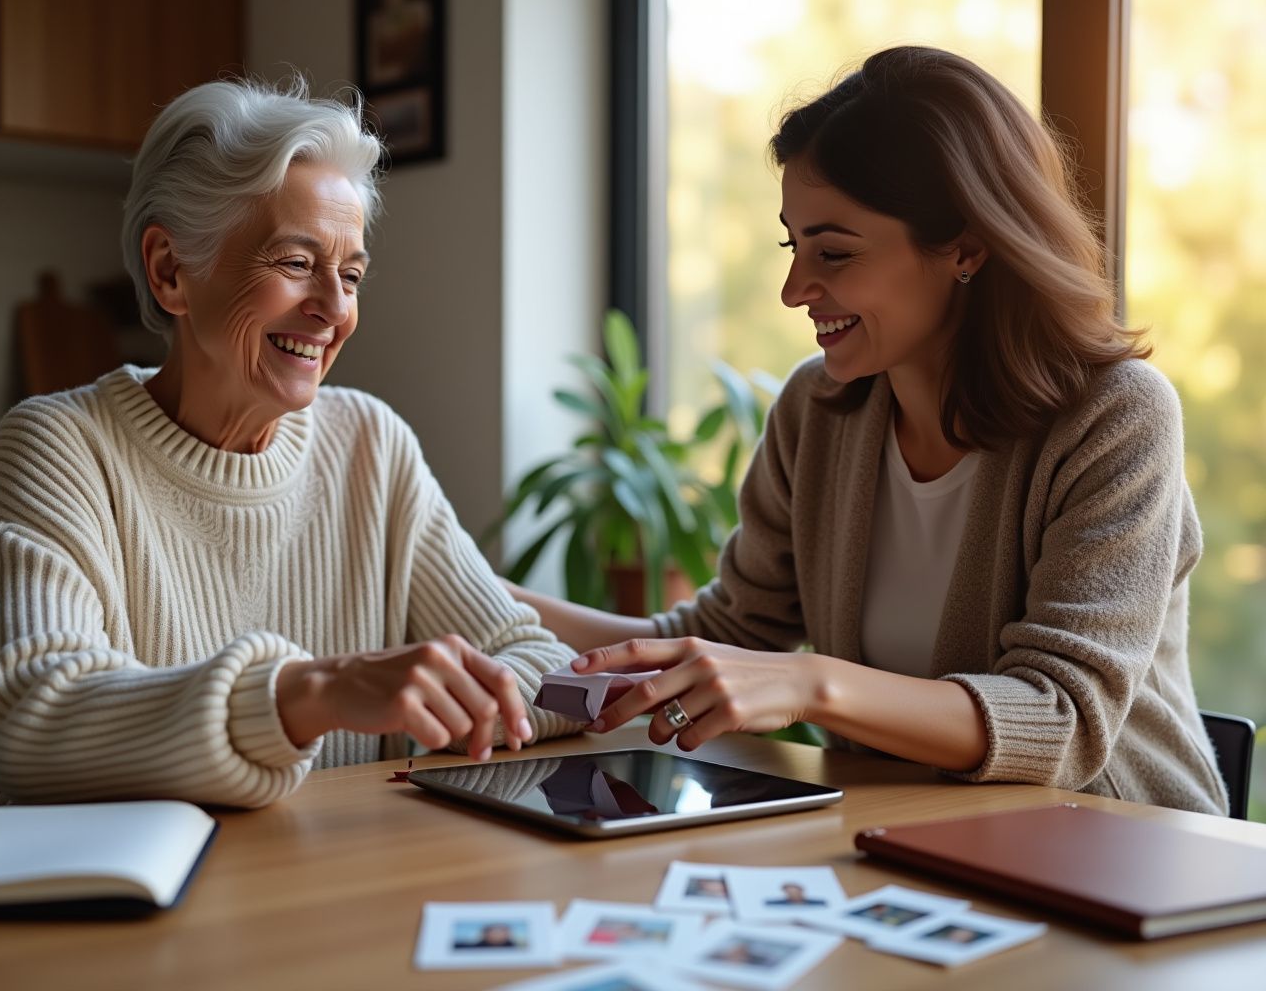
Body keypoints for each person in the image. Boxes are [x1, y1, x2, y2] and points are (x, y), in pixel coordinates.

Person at [507, 46, 1229, 815]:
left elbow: (1062, 722)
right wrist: (476, 594)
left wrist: (809, 684)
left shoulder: (1116, 416)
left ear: (967, 248)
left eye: (835, 252)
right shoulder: (817, 412)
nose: (794, 289)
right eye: (794, 246)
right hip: (903, 841)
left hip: (1125, 850)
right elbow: (722, 634)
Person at [0, 75, 582, 809]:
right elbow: (34, 721)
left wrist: (462, 704)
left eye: (351, 274)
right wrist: (317, 692)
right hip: (16, 892)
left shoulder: (370, 445)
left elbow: (541, 663)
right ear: (172, 271)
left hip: (272, 879)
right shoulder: (59, 446)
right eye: (297, 264)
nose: (334, 308)